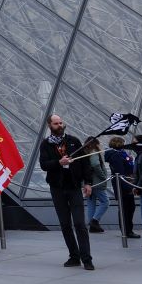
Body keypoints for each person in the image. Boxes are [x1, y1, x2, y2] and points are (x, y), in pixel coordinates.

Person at [38, 114, 93, 270]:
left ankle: (87, 259)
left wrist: (88, 182)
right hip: (57, 188)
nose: (60, 125)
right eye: (56, 123)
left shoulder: (73, 141)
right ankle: (74, 256)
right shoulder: (46, 144)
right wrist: (59, 162)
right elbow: (43, 164)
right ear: (50, 125)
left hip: (74, 187)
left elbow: (85, 162)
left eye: (61, 122)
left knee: (79, 223)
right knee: (65, 224)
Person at [104, 136, 138, 239]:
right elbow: (120, 172)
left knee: (128, 207)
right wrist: (129, 187)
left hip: (124, 183)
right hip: (123, 185)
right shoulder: (116, 155)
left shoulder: (120, 154)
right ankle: (127, 230)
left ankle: (127, 230)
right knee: (126, 208)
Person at [81, 137, 109, 233]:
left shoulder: (84, 152)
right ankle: (94, 221)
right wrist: (103, 176)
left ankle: (92, 226)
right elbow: (95, 164)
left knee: (91, 203)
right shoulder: (94, 151)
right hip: (97, 182)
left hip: (87, 182)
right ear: (95, 143)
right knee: (105, 202)